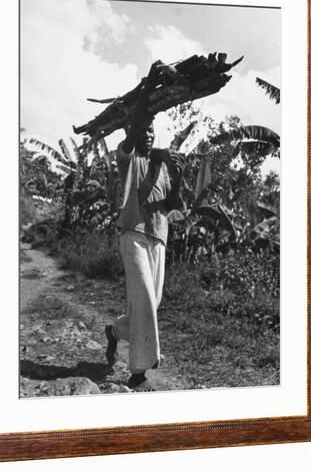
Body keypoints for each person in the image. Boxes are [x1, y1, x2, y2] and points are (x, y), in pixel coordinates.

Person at [105, 61, 185, 390]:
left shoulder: (162, 166)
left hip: (159, 239)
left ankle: (113, 332)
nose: (148, 136)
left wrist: (177, 172)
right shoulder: (128, 158)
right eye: (143, 132)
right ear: (134, 135)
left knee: (148, 305)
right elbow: (137, 123)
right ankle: (138, 371)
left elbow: (171, 204)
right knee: (145, 301)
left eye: (153, 133)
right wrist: (151, 82)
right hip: (134, 236)